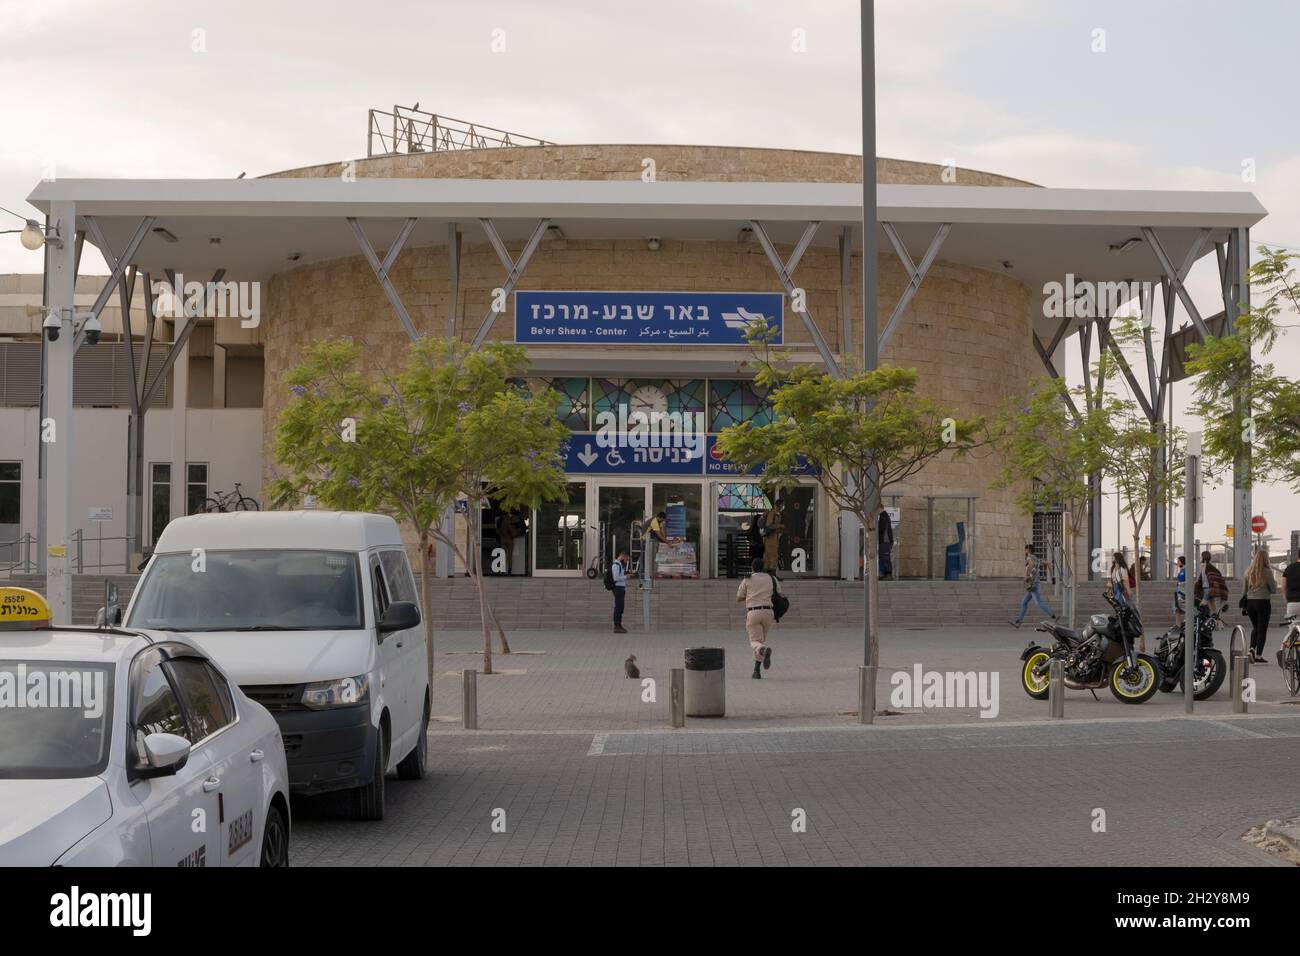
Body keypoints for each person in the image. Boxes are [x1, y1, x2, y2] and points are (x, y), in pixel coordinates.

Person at [736, 556, 776, 679]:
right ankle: (756, 671)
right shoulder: (771, 578)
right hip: (769, 612)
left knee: (755, 642)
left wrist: (749, 596)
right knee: (761, 641)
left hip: (754, 612)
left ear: (752, 568)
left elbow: (739, 598)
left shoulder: (747, 579)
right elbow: (779, 593)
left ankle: (763, 651)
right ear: (763, 567)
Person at [1243, 549, 1278, 664]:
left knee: (1256, 628)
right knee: (1262, 629)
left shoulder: (1248, 571)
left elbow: (1244, 591)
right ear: (1266, 559)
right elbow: (1273, 590)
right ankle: (1258, 656)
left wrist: (1244, 605)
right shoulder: (1267, 572)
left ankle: (1251, 649)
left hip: (1250, 603)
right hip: (1263, 602)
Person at [1011, 544, 1056, 628]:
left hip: (1033, 584)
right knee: (1024, 602)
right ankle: (1019, 621)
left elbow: (1031, 564)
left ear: (1027, 550)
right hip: (1035, 583)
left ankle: (1053, 615)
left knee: (1038, 603)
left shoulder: (1029, 557)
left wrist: (1027, 575)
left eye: (1025, 550)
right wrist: (1052, 576)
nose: (1024, 552)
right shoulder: (1037, 559)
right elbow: (1049, 564)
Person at [1193, 550, 1229, 616]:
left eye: (1201, 557)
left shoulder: (1209, 567)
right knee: (1214, 609)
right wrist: (1197, 585)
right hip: (1207, 589)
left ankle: (1204, 622)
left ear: (1203, 557)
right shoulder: (1204, 567)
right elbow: (1201, 579)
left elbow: (1215, 578)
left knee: (1202, 605)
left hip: (1209, 590)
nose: (1201, 558)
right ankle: (1219, 625)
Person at [762, 498, 785, 572]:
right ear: (779, 505)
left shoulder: (778, 514)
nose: (782, 507)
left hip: (774, 537)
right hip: (770, 538)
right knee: (772, 555)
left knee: (772, 555)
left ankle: (770, 572)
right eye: (782, 505)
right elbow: (769, 525)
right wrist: (780, 526)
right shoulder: (772, 513)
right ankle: (771, 572)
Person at [610, 550, 629, 634]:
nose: (626, 561)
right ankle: (617, 626)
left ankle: (619, 625)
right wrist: (626, 577)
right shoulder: (616, 565)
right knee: (618, 607)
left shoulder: (619, 564)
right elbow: (616, 578)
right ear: (623, 556)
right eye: (626, 559)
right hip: (618, 588)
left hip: (620, 588)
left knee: (621, 607)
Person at [878, 508, 894, 580]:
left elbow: (880, 528)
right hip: (883, 541)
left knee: (885, 557)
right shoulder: (882, 515)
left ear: (880, 508)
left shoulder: (883, 516)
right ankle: (884, 574)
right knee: (882, 557)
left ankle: (888, 574)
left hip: (885, 541)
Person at [1173, 555, 1187, 629]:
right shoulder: (1181, 570)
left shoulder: (1185, 570)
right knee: (1176, 608)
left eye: (1178, 561)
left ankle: (1186, 623)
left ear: (1182, 561)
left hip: (1183, 593)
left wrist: (1180, 584)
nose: (1177, 563)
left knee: (1184, 608)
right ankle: (1178, 625)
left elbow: (1186, 581)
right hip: (1179, 591)